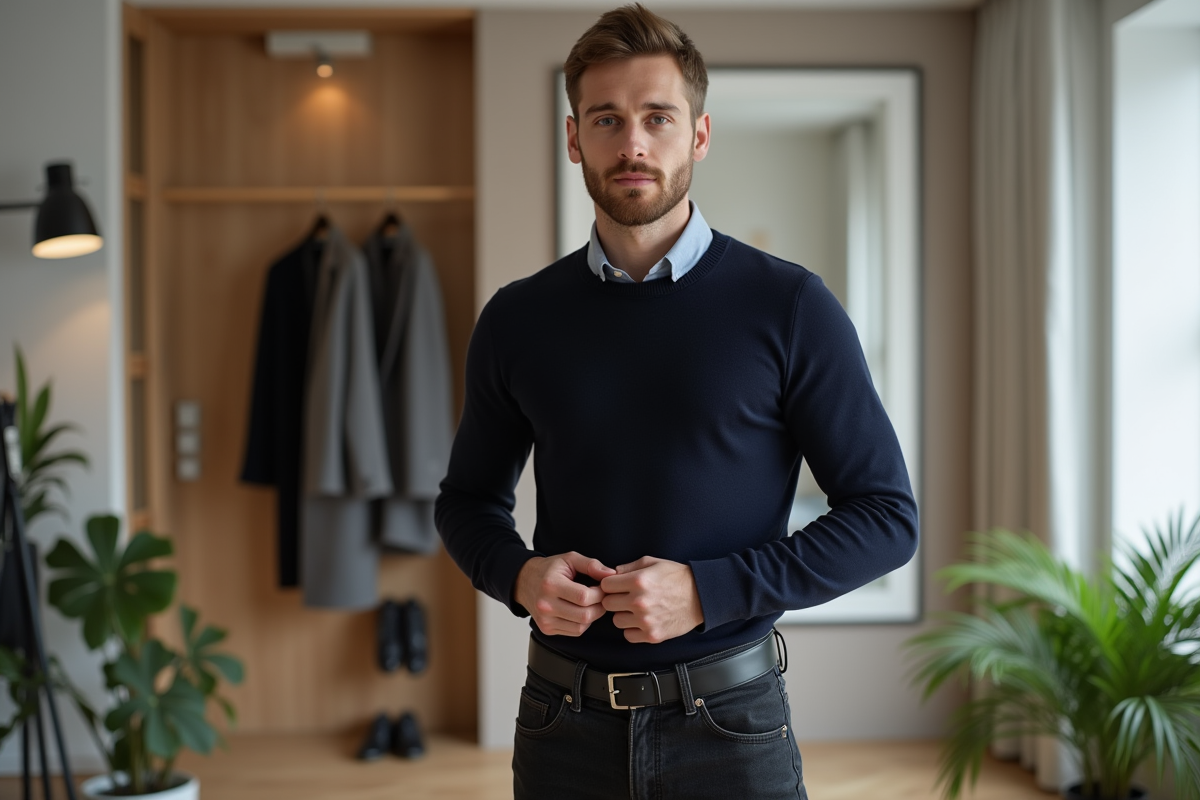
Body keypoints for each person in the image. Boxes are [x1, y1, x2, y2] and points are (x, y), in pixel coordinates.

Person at [435, 4, 919, 798]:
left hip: (730, 725)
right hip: (561, 724)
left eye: (658, 118)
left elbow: (886, 518)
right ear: (572, 138)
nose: (632, 144)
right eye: (607, 119)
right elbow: (466, 502)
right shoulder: (517, 318)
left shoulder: (791, 306)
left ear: (698, 134)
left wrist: (708, 590)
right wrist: (520, 576)